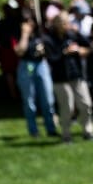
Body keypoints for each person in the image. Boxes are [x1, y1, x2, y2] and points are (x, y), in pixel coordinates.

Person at [43, 12, 93, 143]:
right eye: (64, 23)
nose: (67, 25)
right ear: (57, 24)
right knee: (67, 108)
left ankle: (88, 132)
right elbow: (52, 59)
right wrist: (65, 52)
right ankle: (66, 136)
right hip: (61, 79)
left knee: (86, 104)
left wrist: (78, 46)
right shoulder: (49, 39)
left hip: (76, 75)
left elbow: (88, 44)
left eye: (68, 22)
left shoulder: (72, 35)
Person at [13, 7, 58, 137]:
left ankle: (51, 128)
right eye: (27, 21)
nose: (30, 24)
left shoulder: (42, 34)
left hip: (41, 65)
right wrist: (25, 35)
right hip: (26, 65)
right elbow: (20, 51)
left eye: (31, 21)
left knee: (48, 99)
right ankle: (33, 130)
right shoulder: (18, 34)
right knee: (29, 100)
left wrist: (44, 50)